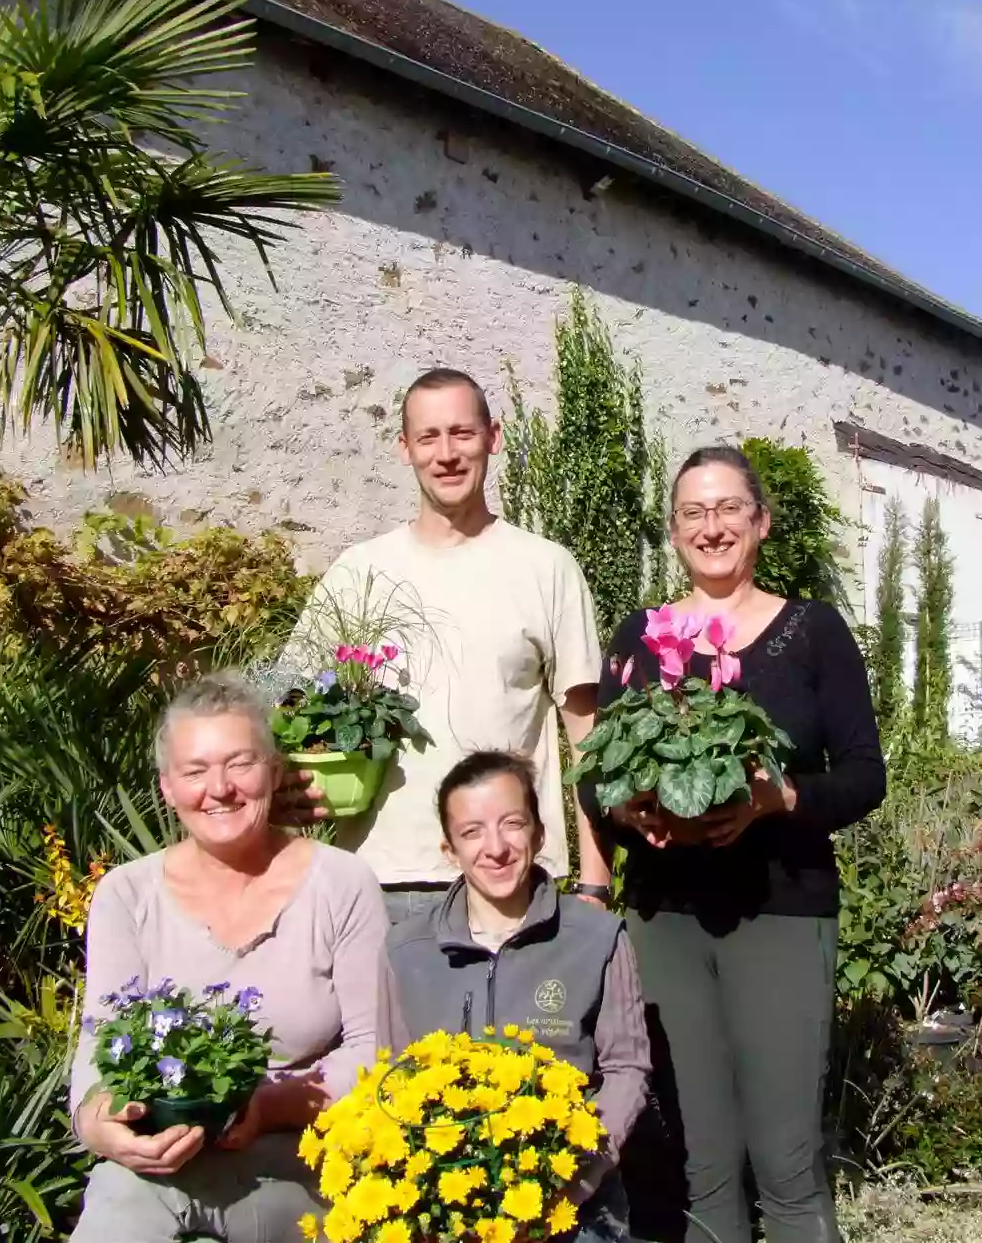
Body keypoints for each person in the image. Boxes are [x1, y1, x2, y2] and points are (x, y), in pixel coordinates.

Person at [579, 445, 885, 1243]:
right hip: (665, 914)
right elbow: (597, 773)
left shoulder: (812, 632)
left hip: (780, 908)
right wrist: (629, 817)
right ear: (673, 530)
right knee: (696, 1157)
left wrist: (781, 797)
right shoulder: (641, 635)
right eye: (692, 512)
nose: (710, 527)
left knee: (784, 1157)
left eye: (728, 510)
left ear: (761, 523)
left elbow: (862, 777)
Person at [69, 675, 397, 1243]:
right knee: (123, 1193)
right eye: (194, 771)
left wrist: (268, 1106)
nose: (218, 789)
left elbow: (377, 1050)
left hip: (306, 1160)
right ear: (167, 788)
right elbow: (102, 1043)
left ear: (273, 770)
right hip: (164, 1165)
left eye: (239, 763)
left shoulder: (341, 884)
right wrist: (103, 1128)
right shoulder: (128, 895)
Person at [276, 367, 610, 924]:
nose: (447, 453)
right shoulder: (359, 572)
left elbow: (588, 740)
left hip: (512, 879)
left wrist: (595, 885)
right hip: (377, 882)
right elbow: (285, 708)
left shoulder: (546, 567)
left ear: (493, 438)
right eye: (428, 437)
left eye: (462, 433)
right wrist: (288, 795)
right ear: (404, 448)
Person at [386, 750, 649, 1242]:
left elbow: (627, 1069)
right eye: (472, 832)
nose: (496, 847)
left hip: (572, 1200)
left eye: (512, 824)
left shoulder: (597, 937)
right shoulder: (406, 950)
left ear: (539, 833)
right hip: (446, 1206)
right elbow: (392, 1075)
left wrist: (579, 1178)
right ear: (449, 850)